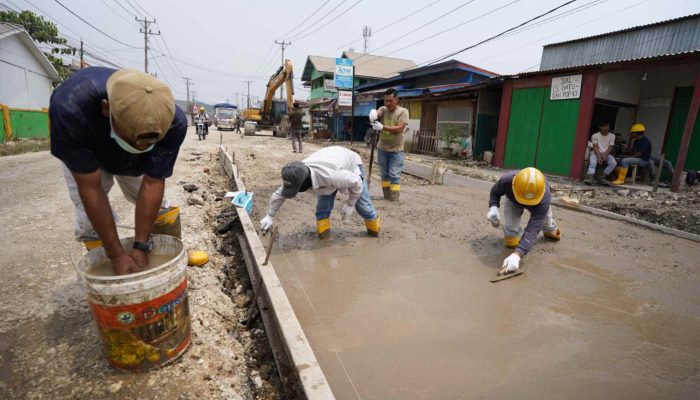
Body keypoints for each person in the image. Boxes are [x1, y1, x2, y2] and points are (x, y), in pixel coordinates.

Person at [50, 67, 187, 275]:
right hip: (90, 151)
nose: (140, 147)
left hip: (134, 161)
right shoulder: (70, 109)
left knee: (158, 209)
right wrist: (116, 255)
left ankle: (165, 267)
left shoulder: (172, 121)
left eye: (149, 143)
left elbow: (153, 182)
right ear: (106, 110)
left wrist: (141, 246)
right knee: (90, 225)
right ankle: (109, 276)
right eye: (134, 140)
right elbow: (91, 188)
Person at [259, 146, 380, 239]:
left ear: (306, 182)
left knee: (363, 206)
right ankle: (324, 236)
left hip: (350, 163)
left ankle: (374, 232)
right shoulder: (296, 173)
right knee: (323, 208)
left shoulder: (332, 175)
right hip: (330, 160)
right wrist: (270, 215)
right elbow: (279, 194)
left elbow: (356, 182)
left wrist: (350, 204)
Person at [487, 168, 561, 275]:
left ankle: (550, 228)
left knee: (551, 231)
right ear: (513, 185)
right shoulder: (507, 181)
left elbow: (533, 229)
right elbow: (495, 192)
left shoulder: (545, 196)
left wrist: (518, 254)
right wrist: (493, 207)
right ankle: (515, 235)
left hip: (538, 202)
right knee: (511, 239)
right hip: (514, 200)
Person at [370, 88, 409, 201]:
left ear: (397, 100)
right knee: (384, 174)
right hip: (382, 148)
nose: (387, 103)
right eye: (385, 100)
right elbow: (379, 112)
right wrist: (373, 114)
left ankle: (394, 198)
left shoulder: (403, 112)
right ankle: (387, 197)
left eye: (390, 101)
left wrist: (383, 127)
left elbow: (400, 128)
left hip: (396, 149)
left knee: (394, 174)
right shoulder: (383, 109)